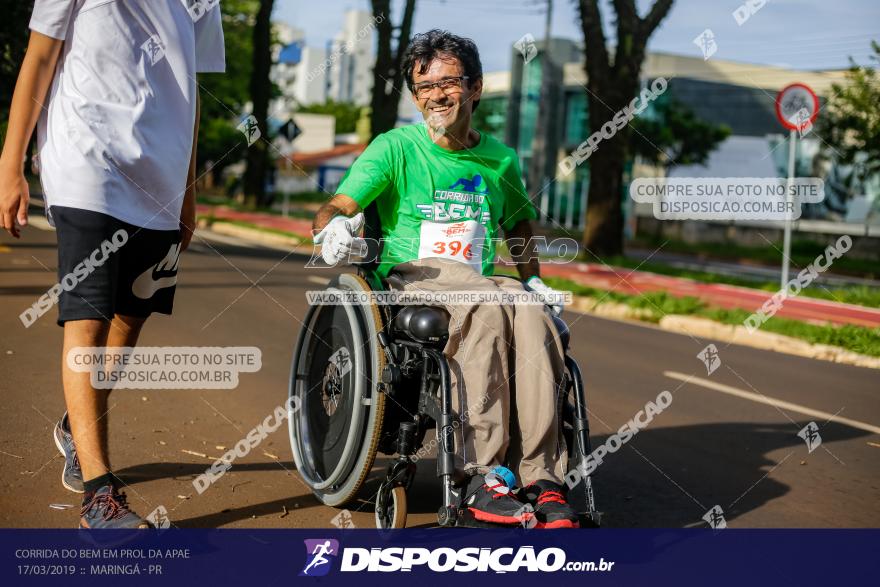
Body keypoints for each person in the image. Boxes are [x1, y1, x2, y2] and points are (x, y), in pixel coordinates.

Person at [312, 30, 578, 528]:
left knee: (533, 315)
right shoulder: (394, 148)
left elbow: (518, 223)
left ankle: (543, 477)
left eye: (448, 82)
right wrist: (333, 231)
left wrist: (535, 280)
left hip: (475, 280)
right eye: (423, 88)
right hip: (414, 278)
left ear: (475, 88)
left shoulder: (500, 158)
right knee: (485, 302)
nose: (435, 96)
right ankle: (483, 473)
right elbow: (337, 206)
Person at [0, 0, 225, 528]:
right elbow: (39, 57)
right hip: (86, 158)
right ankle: (100, 494)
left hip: (161, 176)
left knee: (130, 318)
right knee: (89, 318)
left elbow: (190, 90)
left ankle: (74, 427)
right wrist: (11, 164)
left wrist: (187, 191)